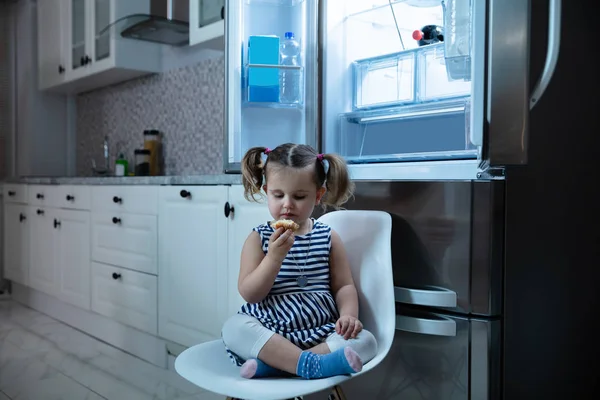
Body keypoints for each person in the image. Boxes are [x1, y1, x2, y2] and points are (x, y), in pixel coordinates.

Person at [221, 143, 378, 380]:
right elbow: (250, 294)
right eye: (278, 195)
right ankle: (315, 365)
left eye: (299, 196)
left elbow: (344, 285)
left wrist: (349, 315)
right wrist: (273, 258)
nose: (287, 204)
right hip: (272, 332)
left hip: (321, 330)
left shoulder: (328, 237)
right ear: (266, 191)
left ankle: (281, 366)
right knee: (233, 329)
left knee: (368, 341)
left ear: (318, 195)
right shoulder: (258, 238)